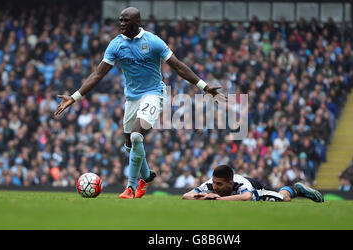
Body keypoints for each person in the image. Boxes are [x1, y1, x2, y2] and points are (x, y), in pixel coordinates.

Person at [54, 7, 226, 199]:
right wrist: (74, 97)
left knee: (137, 136)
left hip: (154, 94)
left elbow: (177, 66)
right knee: (129, 145)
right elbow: (98, 74)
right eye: (120, 20)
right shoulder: (116, 44)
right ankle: (146, 175)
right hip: (132, 98)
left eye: (125, 21)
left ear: (136, 22)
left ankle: (131, 186)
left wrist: (204, 87)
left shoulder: (153, 41)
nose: (121, 24)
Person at [182, 165, 324, 202]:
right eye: (214, 183)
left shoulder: (241, 184)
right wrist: (204, 196)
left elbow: (246, 197)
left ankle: (297, 189)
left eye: (219, 184)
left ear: (230, 183)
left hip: (256, 189)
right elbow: (186, 196)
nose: (215, 187)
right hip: (240, 193)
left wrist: (218, 199)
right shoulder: (210, 185)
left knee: (284, 198)